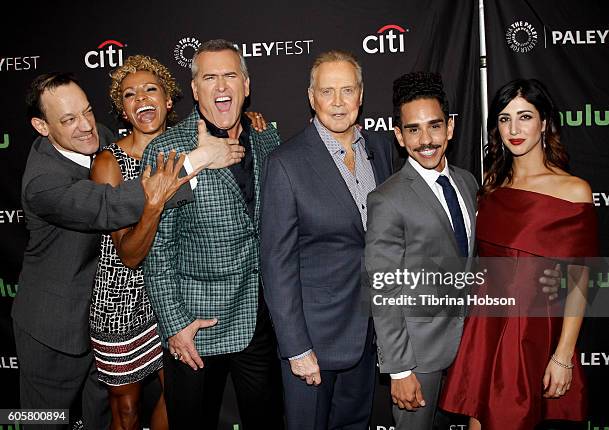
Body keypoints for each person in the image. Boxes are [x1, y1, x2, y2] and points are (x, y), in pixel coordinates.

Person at [12, 72, 242, 429]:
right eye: (69, 120)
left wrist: (245, 122)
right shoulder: (42, 184)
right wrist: (197, 161)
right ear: (42, 126)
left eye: (87, 111)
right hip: (54, 326)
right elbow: (110, 203)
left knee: (100, 417)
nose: (86, 126)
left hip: (110, 308)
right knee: (44, 420)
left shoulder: (97, 137)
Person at [141, 39, 284, 430]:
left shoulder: (268, 139)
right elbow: (157, 248)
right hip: (196, 329)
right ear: (194, 89)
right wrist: (174, 325)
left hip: (259, 321)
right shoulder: (169, 150)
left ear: (246, 85)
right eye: (209, 78)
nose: (221, 87)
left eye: (230, 76)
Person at [439, 78, 597, 429]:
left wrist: (563, 355)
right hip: (485, 328)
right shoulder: (490, 192)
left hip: (533, 332)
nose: (514, 128)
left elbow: (579, 280)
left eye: (525, 117)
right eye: (505, 118)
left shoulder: (573, 191)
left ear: (544, 122)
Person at [261, 50, 396, 429]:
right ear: (311, 97)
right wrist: (296, 348)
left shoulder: (380, 149)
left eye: (347, 90)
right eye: (327, 91)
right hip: (313, 343)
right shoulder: (286, 164)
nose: (338, 102)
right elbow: (276, 264)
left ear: (361, 95)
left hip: (369, 332)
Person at [364, 71, 478, 430]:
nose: (425, 140)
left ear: (451, 128)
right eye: (413, 129)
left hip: (471, 347)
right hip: (419, 356)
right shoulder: (387, 198)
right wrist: (399, 369)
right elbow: (384, 287)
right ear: (399, 136)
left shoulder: (467, 182)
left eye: (434, 126)